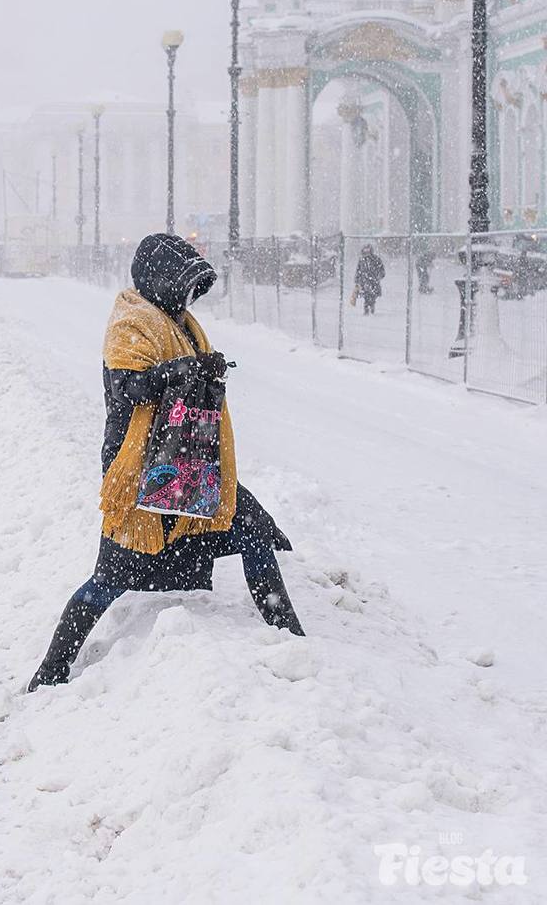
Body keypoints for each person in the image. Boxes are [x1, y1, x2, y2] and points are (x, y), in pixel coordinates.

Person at [28, 233, 304, 692]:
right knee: (107, 581)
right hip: (140, 474)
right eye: (184, 286)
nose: (189, 298)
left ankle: (289, 636)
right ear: (158, 281)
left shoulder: (179, 323)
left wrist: (204, 369)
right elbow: (128, 389)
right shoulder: (131, 324)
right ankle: (51, 671)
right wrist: (179, 372)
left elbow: (181, 384)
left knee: (251, 529)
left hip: (188, 462)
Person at [354, 244, 385, 316]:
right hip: (365, 282)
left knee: (372, 295)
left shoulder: (376, 259)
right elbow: (359, 270)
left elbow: (382, 271)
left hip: (373, 281)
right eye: (365, 250)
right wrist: (357, 279)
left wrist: (378, 276)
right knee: (366, 296)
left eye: (368, 250)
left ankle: (371, 306)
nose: (366, 252)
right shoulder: (362, 260)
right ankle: (367, 309)